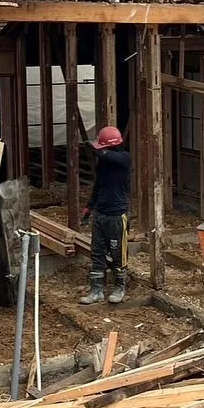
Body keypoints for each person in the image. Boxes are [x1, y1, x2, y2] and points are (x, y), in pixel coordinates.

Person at [80, 125, 131, 305]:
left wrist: (96, 147)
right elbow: (98, 185)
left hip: (117, 215)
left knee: (118, 254)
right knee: (97, 252)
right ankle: (96, 290)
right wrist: (89, 206)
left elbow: (109, 156)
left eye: (103, 147)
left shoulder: (124, 159)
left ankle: (120, 287)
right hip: (101, 214)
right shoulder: (102, 162)